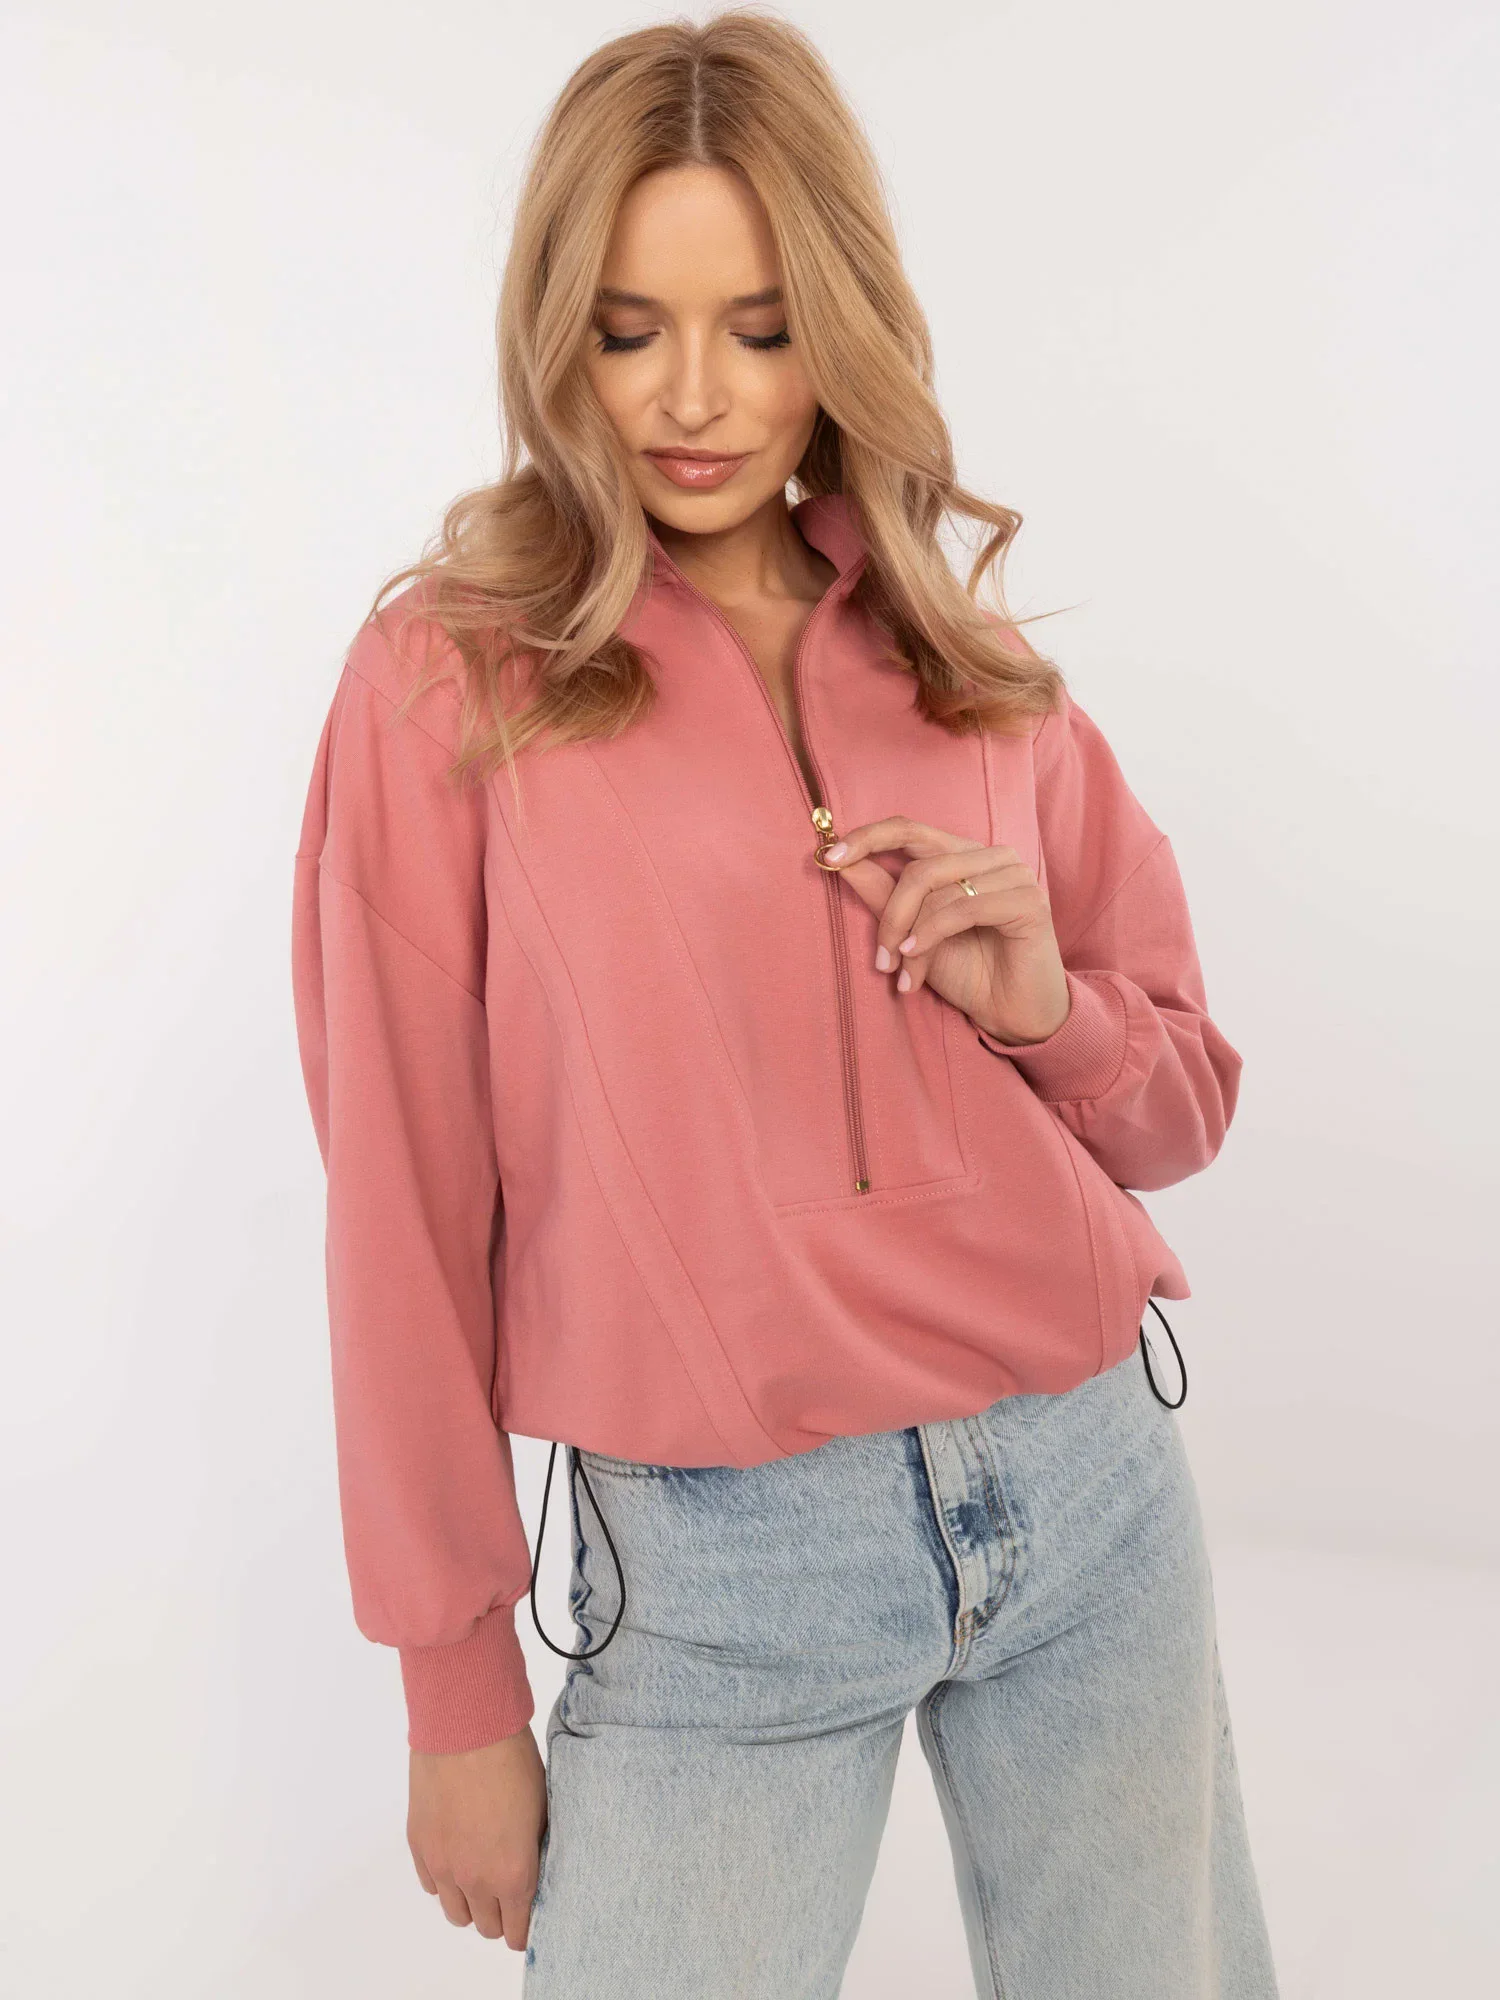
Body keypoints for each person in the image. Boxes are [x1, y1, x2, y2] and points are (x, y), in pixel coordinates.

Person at [290, 13, 1280, 1997]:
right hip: (722, 1568)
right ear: (556, 334)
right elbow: (401, 1208)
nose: (695, 397)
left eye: (759, 327)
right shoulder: (448, 682)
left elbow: (1181, 1105)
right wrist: (453, 1684)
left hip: (1086, 1489)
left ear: (837, 325)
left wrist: (1048, 1007)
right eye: (629, 328)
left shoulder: (961, 654)